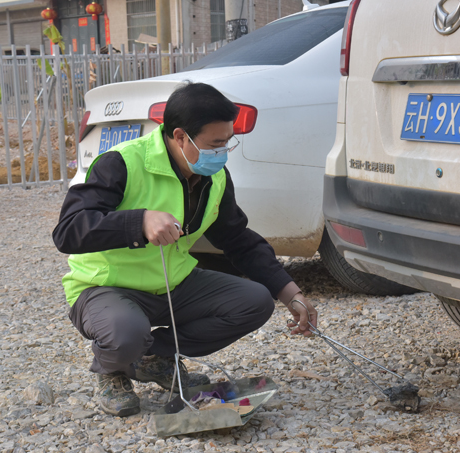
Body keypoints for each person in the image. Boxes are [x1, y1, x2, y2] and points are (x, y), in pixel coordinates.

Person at [53, 82, 318, 417]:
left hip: (173, 285)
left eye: (228, 142)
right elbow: (68, 231)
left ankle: (153, 358)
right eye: (215, 144)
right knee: (125, 333)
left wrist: (291, 293)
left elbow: (237, 239)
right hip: (106, 287)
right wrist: (140, 221)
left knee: (255, 302)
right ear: (180, 137)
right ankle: (112, 369)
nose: (223, 152)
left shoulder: (214, 177)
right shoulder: (121, 163)